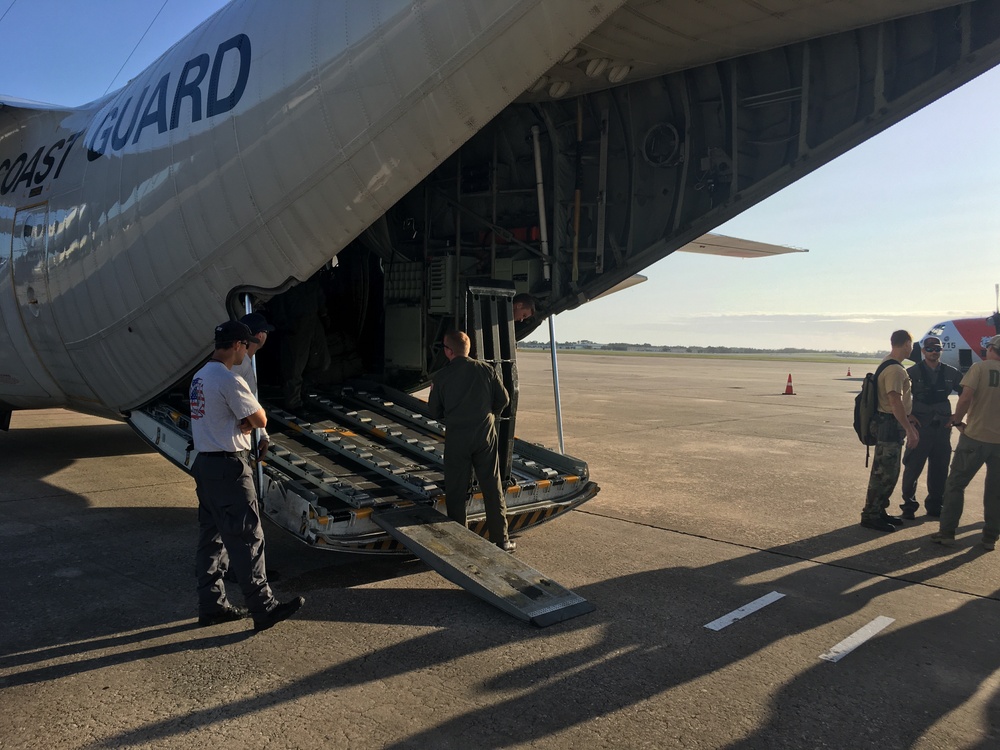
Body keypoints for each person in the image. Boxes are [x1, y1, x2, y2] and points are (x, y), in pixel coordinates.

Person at [189, 320, 304, 631]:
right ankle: (263, 608)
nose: (246, 352)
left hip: (205, 464)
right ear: (238, 345)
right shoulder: (227, 379)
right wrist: (250, 423)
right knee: (247, 537)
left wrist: (243, 422)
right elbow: (259, 417)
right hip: (229, 466)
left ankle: (212, 606)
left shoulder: (199, 377)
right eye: (246, 345)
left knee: (211, 539)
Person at [428, 330, 514, 551]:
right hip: (484, 436)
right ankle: (501, 539)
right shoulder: (486, 370)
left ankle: (460, 540)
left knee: (456, 490)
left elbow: (434, 411)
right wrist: (488, 414)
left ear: (448, 351)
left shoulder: (442, 377)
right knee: (492, 487)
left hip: (458, 438)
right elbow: (503, 400)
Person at [931, 334, 1000, 550]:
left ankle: (948, 532)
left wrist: (957, 420)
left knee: (955, 485)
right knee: (996, 491)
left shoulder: (979, 369)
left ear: (991, 349)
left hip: (975, 438)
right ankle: (990, 538)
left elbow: (966, 397)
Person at [860, 330, 920, 532]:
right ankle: (871, 515)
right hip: (889, 426)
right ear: (906, 344)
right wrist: (909, 429)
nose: (912, 348)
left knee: (887, 472)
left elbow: (896, 402)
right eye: (911, 344)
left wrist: (908, 417)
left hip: (888, 423)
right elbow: (894, 401)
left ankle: (878, 511)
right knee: (885, 474)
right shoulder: (895, 369)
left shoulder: (888, 363)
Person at [899, 335, 963, 519]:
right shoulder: (911, 372)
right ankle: (909, 505)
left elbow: (967, 393)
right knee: (913, 467)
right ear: (923, 351)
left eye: (937, 349)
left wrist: (957, 416)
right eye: (930, 349)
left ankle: (935, 505)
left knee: (940, 468)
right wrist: (908, 416)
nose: (934, 352)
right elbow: (896, 395)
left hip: (942, 428)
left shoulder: (951, 373)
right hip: (920, 428)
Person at [233, 311, 276, 459]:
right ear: (260, 336)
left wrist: (262, 433)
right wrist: (262, 433)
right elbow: (250, 405)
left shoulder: (240, 362)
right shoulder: (242, 366)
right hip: (234, 442)